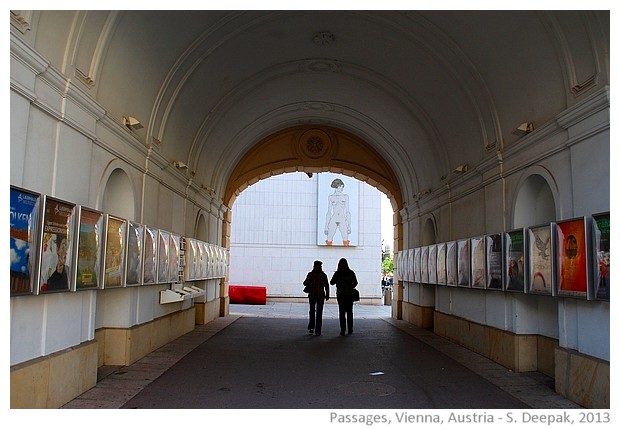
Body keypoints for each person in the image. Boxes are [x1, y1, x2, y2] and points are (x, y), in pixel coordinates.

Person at [330, 258, 358, 335]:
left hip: (340, 294)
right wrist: (350, 286)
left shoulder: (337, 273)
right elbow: (355, 282)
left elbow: (332, 282)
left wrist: (339, 282)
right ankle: (350, 329)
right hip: (349, 295)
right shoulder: (351, 273)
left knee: (341, 312)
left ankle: (343, 330)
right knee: (349, 312)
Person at [303, 260, 330, 335]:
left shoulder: (310, 274)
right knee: (319, 313)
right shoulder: (323, 275)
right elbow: (326, 285)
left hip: (312, 295)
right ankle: (318, 330)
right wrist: (327, 294)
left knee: (312, 311)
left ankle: (311, 327)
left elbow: (305, 283)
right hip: (320, 295)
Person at [324, 178, 351, 246]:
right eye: (342, 187)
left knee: (345, 238)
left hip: (342, 219)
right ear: (338, 186)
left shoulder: (345, 197)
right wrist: (326, 226)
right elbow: (329, 212)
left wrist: (349, 225)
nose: (342, 188)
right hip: (334, 218)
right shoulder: (331, 197)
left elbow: (348, 211)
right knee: (329, 238)